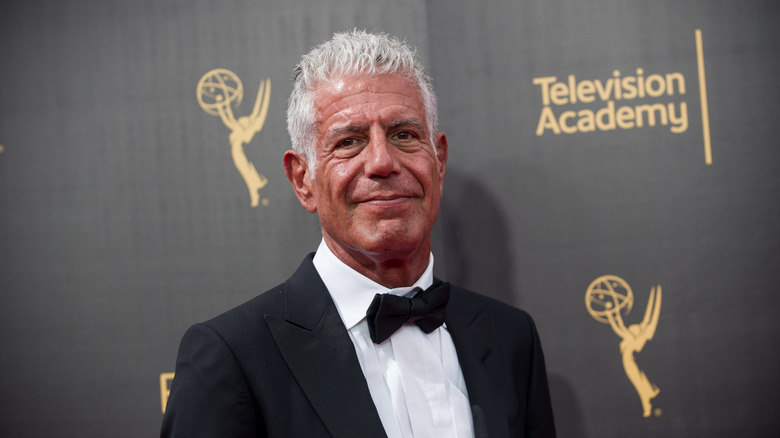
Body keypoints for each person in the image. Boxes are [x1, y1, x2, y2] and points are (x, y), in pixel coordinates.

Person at [161, 30, 556, 438]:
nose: (382, 162)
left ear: (438, 161)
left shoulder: (511, 337)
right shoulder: (231, 357)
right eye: (349, 141)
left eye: (404, 135)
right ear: (303, 180)